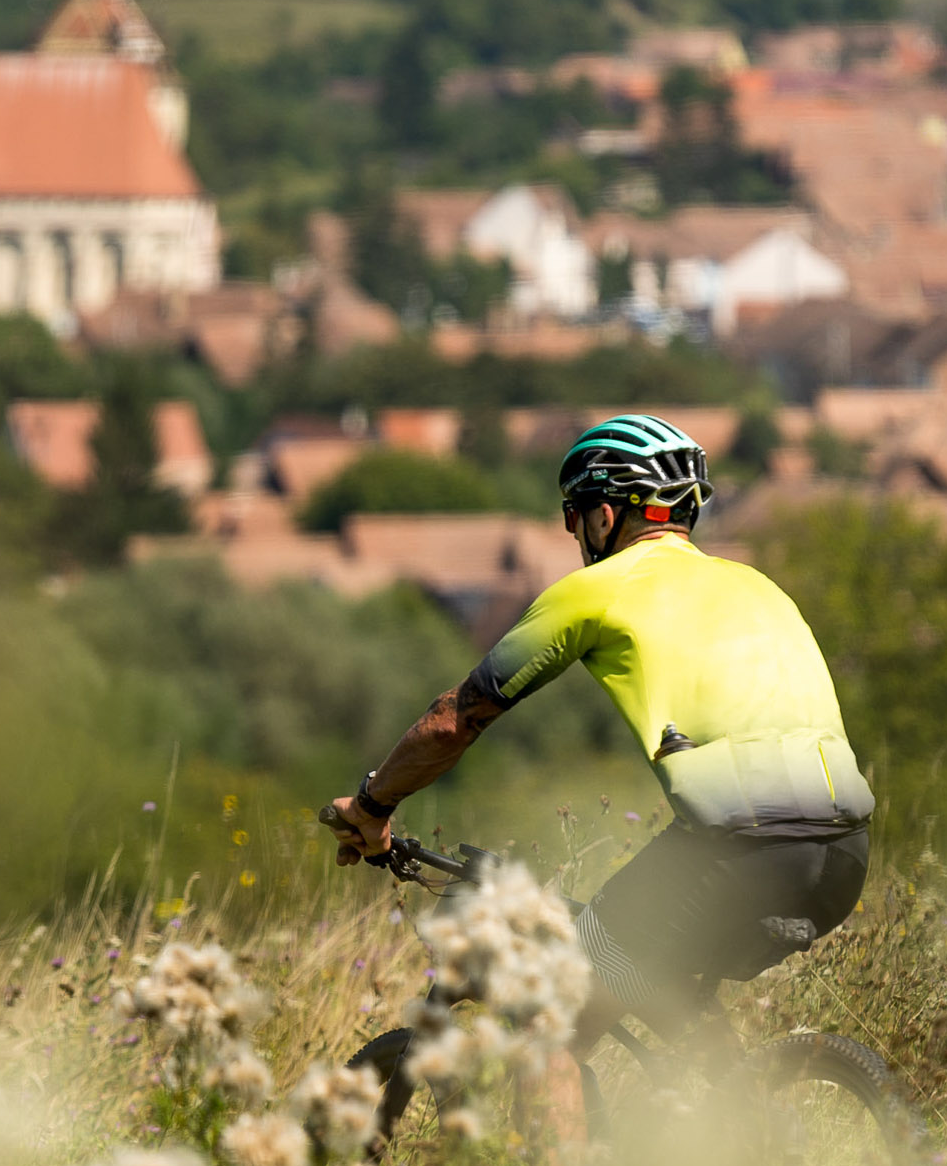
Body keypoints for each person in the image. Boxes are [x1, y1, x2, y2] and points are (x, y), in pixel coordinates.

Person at [317, 414, 876, 1124]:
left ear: (605, 512)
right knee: (655, 970)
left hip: (734, 850)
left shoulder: (597, 589)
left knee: (548, 1025)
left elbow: (455, 719)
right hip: (845, 856)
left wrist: (372, 806)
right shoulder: (762, 588)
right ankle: (732, 1130)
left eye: (574, 514)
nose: (575, 531)